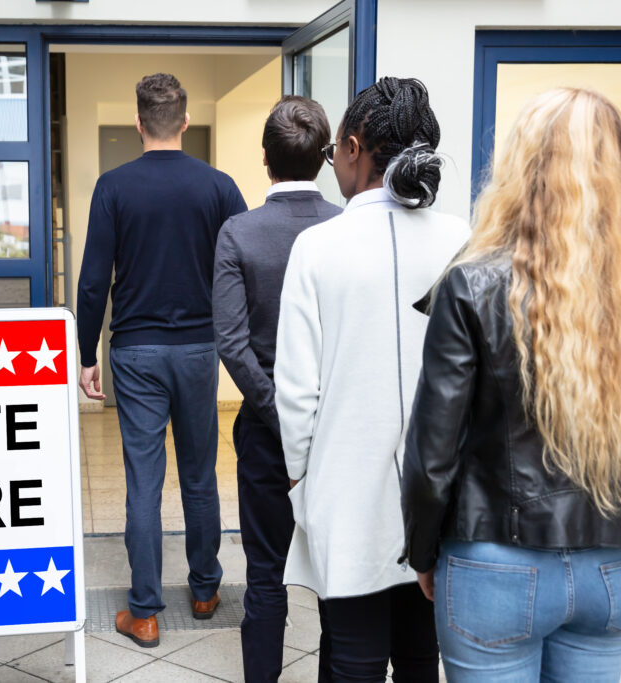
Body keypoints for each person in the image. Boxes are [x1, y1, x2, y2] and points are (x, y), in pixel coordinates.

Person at [400, 87, 621, 682]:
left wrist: (426, 554)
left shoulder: (472, 285)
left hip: (492, 567)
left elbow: (432, 457)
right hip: (608, 571)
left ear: (519, 170)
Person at [274, 77, 469, 682]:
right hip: (444, 497)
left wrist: (301, 478)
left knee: (351, 660)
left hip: (345, 489)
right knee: (419, 659)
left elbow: (296, 391)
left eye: (335, 153)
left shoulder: (316, 246)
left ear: (354, 147)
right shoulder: (466, 239)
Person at [76, 73, 247, 648]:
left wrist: (85, 354)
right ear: (186, 122)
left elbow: (94, 281)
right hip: (201, 350)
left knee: (143, 483)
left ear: (138, 123)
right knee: (200, 476)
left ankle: (145, 611)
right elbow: (244, 268)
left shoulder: (113, 187)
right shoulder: (219, 187)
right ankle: (204, 590)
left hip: (135, 351)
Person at [213, 96, 342, 682]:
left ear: (265, 159)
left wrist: (281, 417)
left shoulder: (239, 233)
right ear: (325, 158)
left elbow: (233, 344)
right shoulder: (346, 227)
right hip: (339, 433)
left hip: (267, 436)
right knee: (340, 576)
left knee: (265, 571)